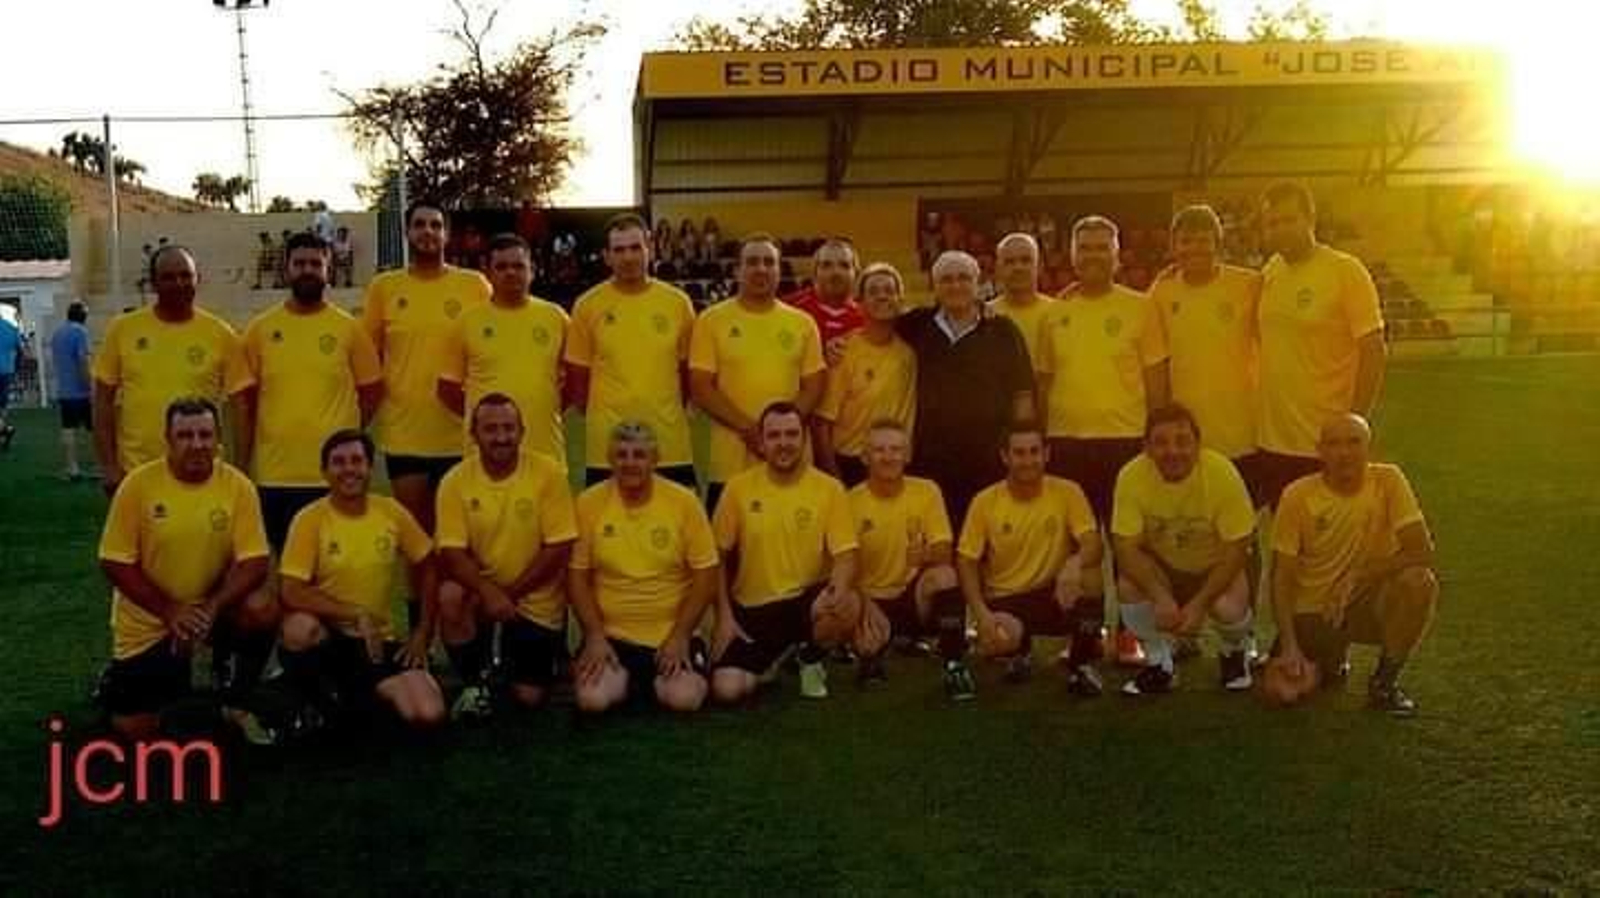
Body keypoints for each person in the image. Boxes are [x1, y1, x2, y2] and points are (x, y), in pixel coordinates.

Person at [95, 397, 276, 740]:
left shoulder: (238, 486)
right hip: (152, 621)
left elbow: (255, 560)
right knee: (135, 728)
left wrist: (211, 607)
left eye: (205, 435)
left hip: (208, 611)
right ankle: (121, 683)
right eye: (185, 435)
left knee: (262, 608)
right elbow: (114, 561)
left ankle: (237, 700)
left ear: (218, 439)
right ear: (168, 439)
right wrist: (169, 611)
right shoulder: (138, 485)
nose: (197, 445)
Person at [1263, 414, 1438, 716]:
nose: (1344, 452)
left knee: (1418, 582)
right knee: (1283, 693)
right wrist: (1290, 644)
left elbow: (1421, 551)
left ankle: (1385, 682)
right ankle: (1329, 657)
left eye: (1354, 442)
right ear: (1320, 451)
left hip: (1362, 604)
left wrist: (1356, 576)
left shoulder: (1389, 480)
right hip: (1312, 615)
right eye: (1333, 444)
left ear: (1369, 447)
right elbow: (1282, 577)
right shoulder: (1298, 495)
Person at [361, 201, 490, 598]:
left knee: (463, 543)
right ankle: (421, 637)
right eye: (419, 225)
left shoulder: (474, 286)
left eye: (436, 225)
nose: (428, 232)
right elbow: (367, 359)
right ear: (407, 232)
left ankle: (465, 631)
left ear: (446, 234)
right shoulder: (385, 289)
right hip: (406, 435)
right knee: (417, 543)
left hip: (462, 436)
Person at [275, 429, 445, 731]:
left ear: (369, 468)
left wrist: (423, 632)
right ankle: (317, 698)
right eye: (338, 462)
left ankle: (351, 701)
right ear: (324, 471)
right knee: (299, 629)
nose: (349, 469)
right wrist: (355, 614)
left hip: (379, 642)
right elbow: (290, 591)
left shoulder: (390, 512)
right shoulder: (309, 519)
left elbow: (429, 563)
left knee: (427, 713)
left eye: (357, 460)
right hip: (329, 640)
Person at [229, 233, 383, 551]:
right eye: (299, 263)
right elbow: (246, 401)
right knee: (285, 570)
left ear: (328, 269)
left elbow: (371, 391)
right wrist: (243, 463)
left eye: (316, 263)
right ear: (286, 269)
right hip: (276, 474)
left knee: (335, 566)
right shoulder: (260, 330)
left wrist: (345, 435)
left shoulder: (349, 329)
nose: (307, 270)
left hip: (333, 476)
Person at [434, 394, 576, 718]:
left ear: (522, 431)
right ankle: (474, 683)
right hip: (482, 596)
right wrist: (488, 593)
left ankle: (516, 663)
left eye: (509, 428)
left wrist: (507, 595)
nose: (501, 437)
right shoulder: (455, 481)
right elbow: (452, 553)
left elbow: (559, 547)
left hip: (535, 602)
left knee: (528, 697)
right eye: (491, 429)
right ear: (474, 434)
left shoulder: (548, 473)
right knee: (450, 595)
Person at [709, 402, 860, 703]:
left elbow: (846, 555)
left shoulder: (829, 489)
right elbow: (716, 559)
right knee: (728, 690)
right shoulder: (737, 489)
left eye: (792, 434)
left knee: (848, 604)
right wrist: (724, 619)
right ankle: (778, 657)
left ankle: (809, 657)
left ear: (804, 439)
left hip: (804, 603)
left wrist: (837, 589)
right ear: (761, 443)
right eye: (774, 435)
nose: (784, 443)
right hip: (751, 609)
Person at [569, 421, 719, 715]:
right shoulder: (588, 503)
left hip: (670, 634)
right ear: (610, 460)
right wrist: (595, 636)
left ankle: (653, 681)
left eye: (639, 455)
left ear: (655, 459)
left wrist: (681, 635)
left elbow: (706, 573)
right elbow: (576, 576)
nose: (630, 463)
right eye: (621, 455)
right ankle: (631, 680)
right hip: (613, 638)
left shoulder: (683, 502)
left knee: (685, 700)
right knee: (591, 701)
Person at [1254, 182, 1386, 508]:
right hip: (1272, 441)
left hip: (1325, 441)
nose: (1280, 229)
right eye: (1272, 223)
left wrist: (1355, 422)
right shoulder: (1270, 272)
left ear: (1310, 219)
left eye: (1289, 220)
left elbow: (1374, 349)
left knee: (1331, 542)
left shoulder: (1345, 271)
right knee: (1286, 541)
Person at [1111, 404, 1257, 696]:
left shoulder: (1221, 473)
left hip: (1214, 567)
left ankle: (1234, 650)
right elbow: (1125, 548)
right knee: (1128, 587)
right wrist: (1159, 595)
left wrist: (1200, 603)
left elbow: (1236, 550)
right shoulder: (1131, 475)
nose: (1172, 451)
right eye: (1160, 442)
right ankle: (1159, 663)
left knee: (1227, 608)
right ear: (1146, 448)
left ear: (1198, 444)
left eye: (1182, 441)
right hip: (1165, 567)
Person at [956, 421, 1105, 696]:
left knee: (1091, 575)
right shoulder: (985, 501)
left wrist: (1073, 565)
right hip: (1005, 597)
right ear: (1005, 456)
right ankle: (1018, 653)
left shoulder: (1068, 491)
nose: (1028, 460)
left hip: (1053, 593)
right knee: (999, 642)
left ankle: (1080, 665)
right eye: (1019, 453)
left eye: (1034, 451)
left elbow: (1093, 543)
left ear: (1047, 453)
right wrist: (981, 614)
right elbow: (966, 561)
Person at [896, 250, 1034, 526]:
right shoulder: (916, 325)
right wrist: (839, 344)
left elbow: (1023, 394)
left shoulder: (1004, 330)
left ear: (978, 283)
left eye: (963, 278)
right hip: (931, 457)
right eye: (946, 280)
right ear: (934, 287)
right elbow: (875, 329)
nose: (955, 285)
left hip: (988, 457)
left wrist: (1020, 447)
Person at [690, 234, 827, 512]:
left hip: (790, 457)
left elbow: (814, 385)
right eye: (752, 262)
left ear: (779, 270)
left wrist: (779, 434)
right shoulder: (711, 320)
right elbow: (701, 387)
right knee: (728, 549)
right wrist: (751, 430)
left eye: (769, 262)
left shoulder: (802, 323)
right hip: (729, 463)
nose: (761, 269)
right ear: (737, 270)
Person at [93, 246, 240, 495]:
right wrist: (109, 466)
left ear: (197, 279)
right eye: (168, 277)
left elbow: (240, 406)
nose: (178, 283)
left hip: (202, 472)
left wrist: (239, 466)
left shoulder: (221, 335)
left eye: (185, 276)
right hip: (137, 472)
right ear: (153, 283)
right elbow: (102, 401)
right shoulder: (123, 330)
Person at [566, 214, 698, 489]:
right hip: (607, 446)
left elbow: (687, 374)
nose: (628, 257)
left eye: (635, 248)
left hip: (669, 444)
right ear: (606, 256)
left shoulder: (677, 303)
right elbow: (579, 381)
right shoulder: (587, 306)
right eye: (619, 250)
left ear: (650, 248)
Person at [844, 420, 969, 698]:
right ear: (865, 457)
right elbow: (843, 568)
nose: (888, 457)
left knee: (946, 575)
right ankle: (868, 655)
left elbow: (945, 549)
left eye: (896, 449)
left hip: (912, 597)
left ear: (908, 455)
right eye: (879, 450)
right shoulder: (849, 502)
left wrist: (925, 555)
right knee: (853, 616)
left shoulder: (927, 491)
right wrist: (864, 605)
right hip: (870, 599)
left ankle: (954, 664)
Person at [437, 233, 569, 471]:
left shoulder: (555, 317)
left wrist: (547, 404)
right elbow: (447, 389)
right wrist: (482, 418)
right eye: (502, 266)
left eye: (518, 266)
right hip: (483, 456)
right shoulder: (467, 322)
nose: (510, 273)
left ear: (533, 270)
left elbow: (577, 377)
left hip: (544, 450)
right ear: (488, 272)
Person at [1149, 205, 1262, 465]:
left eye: (1203, 241)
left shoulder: (1250, 285)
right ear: (1173, 247)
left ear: (1218, 244)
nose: (1194, 248)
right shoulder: (1161, 294)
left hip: (1241, 431)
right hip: (1185, 434)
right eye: (1186, 241)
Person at [813, 263, 916, 487]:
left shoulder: (911, 353)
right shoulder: (843, 353)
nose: (882, 297)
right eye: (873, 291)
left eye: (889, 291)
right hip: (851, 464)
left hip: (896, 463)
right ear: (859, 303)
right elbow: (822, 425)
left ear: (900, 300)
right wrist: (835, 480)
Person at [786, 238, 865, 365]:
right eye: (827, 265)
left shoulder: (867, 319)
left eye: (844, 265)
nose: (835, 272)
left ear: (856, 273)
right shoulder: (790, 309)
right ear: (814, 273)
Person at [985, 233, 1055, 367]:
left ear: (1040, 266)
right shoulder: (982, 318)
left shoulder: (1059, 314)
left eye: (1026, 260)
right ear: (998, 269)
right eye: (1009, 262)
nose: (1018, 267)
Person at [49, 302, 93, 478]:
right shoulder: (80, 332)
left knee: (68, 428)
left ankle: (72, 467)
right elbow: (83, 360)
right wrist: (89, 386)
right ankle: (101, 464)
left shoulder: (57, 333)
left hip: (64, 390)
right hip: (81, 390)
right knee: (95, 428)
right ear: (83, 316)